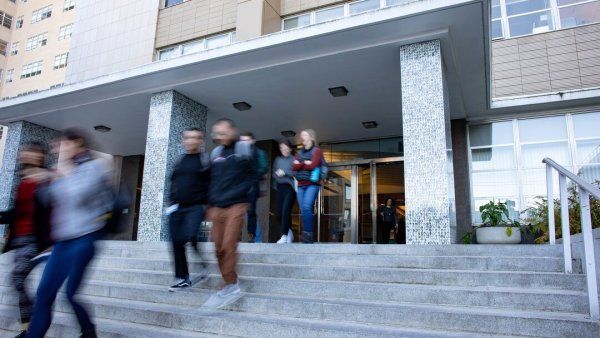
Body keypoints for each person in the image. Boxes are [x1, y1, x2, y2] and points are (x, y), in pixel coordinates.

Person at [26, 128, 114, 338]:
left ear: (77, 143)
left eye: (62, 145)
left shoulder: (95, 167)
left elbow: (79, 195)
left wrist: (60, 175)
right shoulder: (65, 171)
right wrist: (47, 180)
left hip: (85, 239)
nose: (58, 150)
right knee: (44, 294)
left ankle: (88, 331)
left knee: (70, 294)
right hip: (62, 243)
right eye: (57, 146)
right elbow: (48, 199)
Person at [202, 119, 257, 309]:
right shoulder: (216, 153)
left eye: (223, 132)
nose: (219, 136)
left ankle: (231, 284)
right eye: (217, 133)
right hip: (217, 207)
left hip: (237, 204)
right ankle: (228, 280)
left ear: (233, 131)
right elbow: (210, 179)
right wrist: (209, 203)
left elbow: (253, 175)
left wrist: (244, 196)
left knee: (228, 244)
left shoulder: (244, 149)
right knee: (217, 247)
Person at [0, 142, 53, 338]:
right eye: (26, 152)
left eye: (33, 152)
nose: (27, 155)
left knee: (18, 279)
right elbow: (17, 213)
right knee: (17, 281)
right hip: (19, 239)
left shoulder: (45, 179)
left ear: (40, 157)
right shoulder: (22, 181)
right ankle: (28, 327)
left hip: (35, 240)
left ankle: (32, 326)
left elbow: (50, 210)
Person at [167, 128, 210, 291]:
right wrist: (170, 203)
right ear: (183, 141)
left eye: (195, 138)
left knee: (191, 235)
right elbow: (173, 182)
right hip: (177, 208)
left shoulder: (205, 160)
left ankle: (201, 266)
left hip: (197, 206)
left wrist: (209, 206)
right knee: (176, 242)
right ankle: (183, 277)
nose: (191, 141)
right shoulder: (179, 160)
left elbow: (212, 184)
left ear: (200, 141)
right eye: (188, 138)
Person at [292, 129, 323, 244]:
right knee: (304, 209)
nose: (302, 137)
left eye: (304, 135)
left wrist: (300, 164)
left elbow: (314, 164)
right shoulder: (298, 153)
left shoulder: (317, 151)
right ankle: (307, 234)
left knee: (306, 207)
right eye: (301, 135)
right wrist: (306, 163)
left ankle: (308, 234)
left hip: (312, 184)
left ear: (311, 137)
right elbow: (293, 168)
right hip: (300, 185)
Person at [239, 132, 267, 243]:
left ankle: (254, 236)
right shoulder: (239, 153)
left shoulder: (259, 153)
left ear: (253, 140)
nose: (244, 143)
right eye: (242, 140)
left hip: (252, 186)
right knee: (239, 212)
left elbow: (263, 167)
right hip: (239, 187)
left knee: (250, 212)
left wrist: (251, 173)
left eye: (246, 140)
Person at [273, 139, 296, 244]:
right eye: (281, 148)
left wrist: (285, 173)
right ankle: (289, 232)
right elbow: (274, 173)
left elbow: (296, 172)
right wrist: (277, 174)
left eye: (285, 147)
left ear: (289, 149)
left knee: (285, 211)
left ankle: (284, 236)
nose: (284, 149)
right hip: (279, 188)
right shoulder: (278, 159)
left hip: (289, 187)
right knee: (278, 213)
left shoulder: (293, 159)